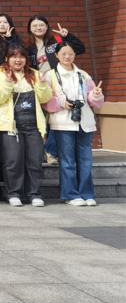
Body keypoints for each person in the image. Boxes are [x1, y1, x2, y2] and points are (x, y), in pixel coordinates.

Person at [0, 44, 53, 207]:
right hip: (11, 125)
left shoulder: (35, 74)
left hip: (34, 124)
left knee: (35, 160)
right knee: (13, 160)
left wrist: (42, 85)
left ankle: (34, 194)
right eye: (14, 56)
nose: (18, 60)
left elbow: (45, 98)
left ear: (26, 59)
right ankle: (13, 193)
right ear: (7, 58)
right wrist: (7, 84)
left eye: (21, 56)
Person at [43, 42, 104, 206]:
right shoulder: (50, 75)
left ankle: (87, 194)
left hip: (84, 121)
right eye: (63, 54)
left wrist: (96, 94)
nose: (67, 57)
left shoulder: (83, 75)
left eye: (70, 53)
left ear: (75, 55)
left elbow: (92, 99)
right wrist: (62, 103)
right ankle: (70, 194)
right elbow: (46, 100)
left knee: (86, 160)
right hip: (62, 122)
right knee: (67, 161)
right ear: (56, 55)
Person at [27, 16, 87, 164]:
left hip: (58, 82)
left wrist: (68, 37)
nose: (38, 28)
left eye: (41, 25)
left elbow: (80, 49)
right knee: (43, 118)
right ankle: (51, 150)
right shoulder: (27, 46)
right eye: (35, 25)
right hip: (39, 84)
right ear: (30, 28)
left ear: (47, 26)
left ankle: (50, 150)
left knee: (56, 116)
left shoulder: (56, 41)